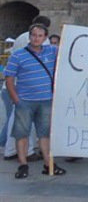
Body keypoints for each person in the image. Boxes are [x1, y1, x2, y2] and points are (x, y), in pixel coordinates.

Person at [4, 23, 65, 179]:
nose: (36, 38)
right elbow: (9, 78)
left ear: (45, 38)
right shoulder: (17, 55)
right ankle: (23, 165)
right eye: (33, 35)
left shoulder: (52, 51)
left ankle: (48, 163)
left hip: (46, 100)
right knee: (22, 134)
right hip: (25, 101)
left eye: (39, 36)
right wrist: (16, 100)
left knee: (44, 134)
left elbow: (69, 48)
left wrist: (66, 30)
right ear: (29, 36)